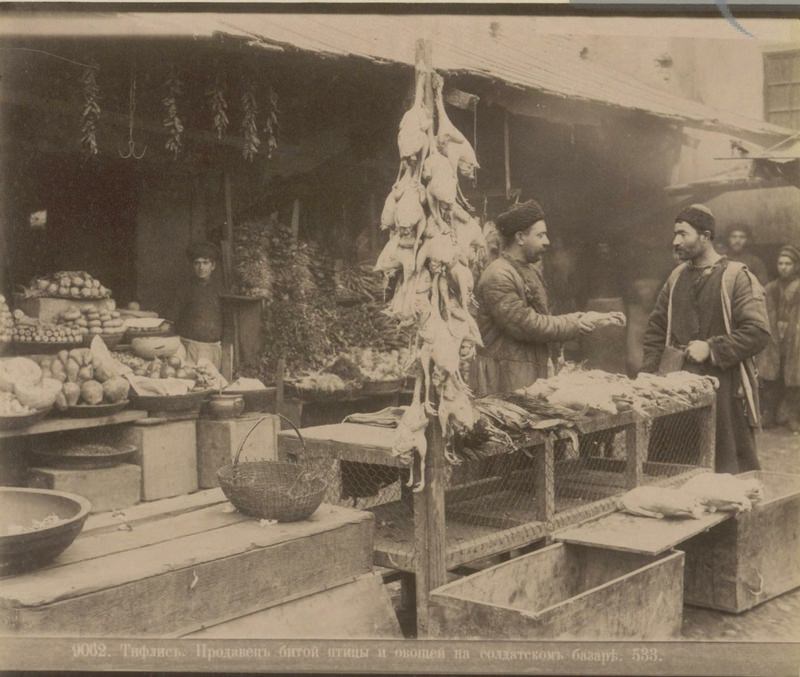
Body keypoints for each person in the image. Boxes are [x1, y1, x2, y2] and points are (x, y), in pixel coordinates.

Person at [642, 204, 770, 473]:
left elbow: (757, 332)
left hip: (722, 389)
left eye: (683, 234)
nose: (675, 241)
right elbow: (656, 327)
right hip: (675, 389)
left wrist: (711, 348)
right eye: (674, 234)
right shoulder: (676, 277)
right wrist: (650, 372)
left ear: (706, 236)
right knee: (670, 473)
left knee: (723, 471)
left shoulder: (736, 276)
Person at [471, 199, 624, 396]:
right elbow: (528, 325)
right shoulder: (498, 275)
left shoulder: (527, 270)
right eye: (540, 235)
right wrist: (578, 323)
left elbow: (542, 319)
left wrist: (582, 318)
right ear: (520, 237)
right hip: (502, 381)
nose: (547, 242)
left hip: (522, 376)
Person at [757, 245, 800, 431]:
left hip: (795, 337)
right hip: (774, 337)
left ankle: (792, 416)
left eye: (788, 264)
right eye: (780, 263)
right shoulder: (770, 288)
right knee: (769, 376)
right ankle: (769, 414)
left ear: (796, 266)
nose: (784, 267)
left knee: (794, 377)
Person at [172, 241, 224, 369]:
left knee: (210, 381)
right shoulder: (184, 289)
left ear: (213, 266)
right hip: (189, 347)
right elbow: (173, 317)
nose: (201, 268)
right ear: (193, 266)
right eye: (197, 263)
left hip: (213, 349)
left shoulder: (221, 290)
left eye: (205, 263)